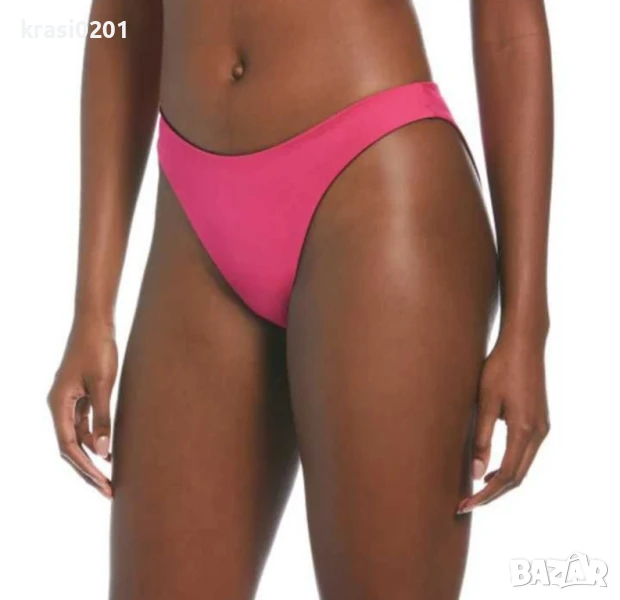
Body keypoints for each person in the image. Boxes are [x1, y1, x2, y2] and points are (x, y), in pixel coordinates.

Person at [47, 0, 553, 598]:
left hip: (374, 187)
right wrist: (92, 309)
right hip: (193, 216)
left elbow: (509, 28)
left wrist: (527, 326)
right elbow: (121, 19)